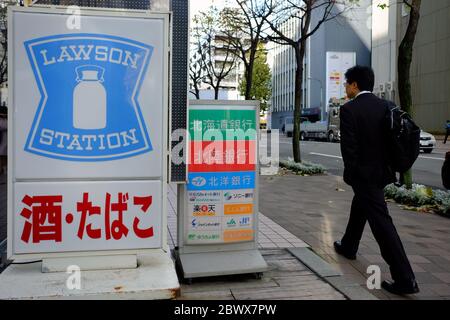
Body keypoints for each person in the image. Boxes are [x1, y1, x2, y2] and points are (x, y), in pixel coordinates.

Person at [333, 65, 419, 295]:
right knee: (360, 206)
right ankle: (349, 245)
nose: (345, 87)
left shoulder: (350, 110)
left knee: (382, 224)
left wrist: (351, 175)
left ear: (355, 85)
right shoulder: (386, 106)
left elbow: (349, 150)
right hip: (382, 173)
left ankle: (405, 278)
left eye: (346, 83)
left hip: (364, 175)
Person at [0, 106, 7, 176]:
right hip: (2, 140)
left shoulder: (6, 120)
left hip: (4, 140)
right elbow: (4, 126)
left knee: (3, 155)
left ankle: (4, 169)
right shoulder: (3, 120)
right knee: (2, 155)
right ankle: (3, 169)